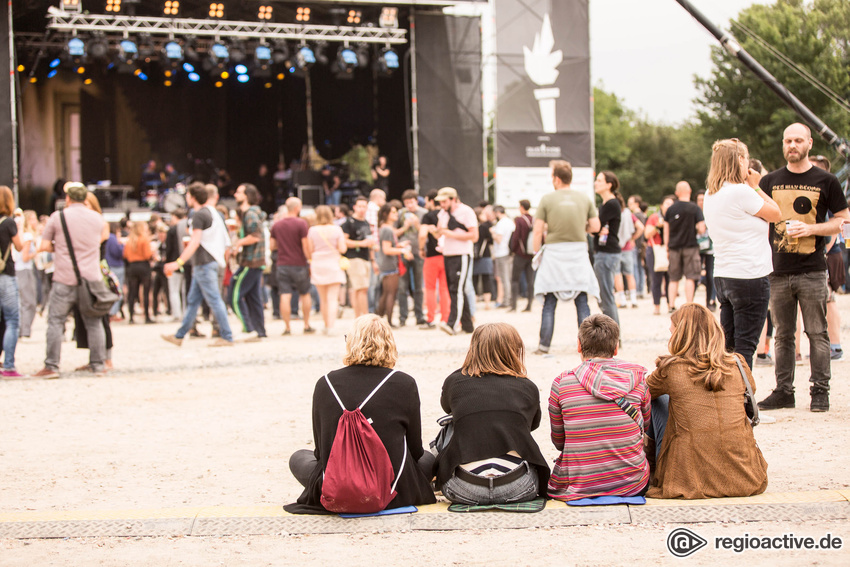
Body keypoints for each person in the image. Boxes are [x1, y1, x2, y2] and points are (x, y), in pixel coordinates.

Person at [285, 314, 436, 514]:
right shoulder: (404, 383)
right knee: (431, 458)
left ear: (351, 342)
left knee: (298, 458)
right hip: (393, 488)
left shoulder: (325, 384)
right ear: (389, 344)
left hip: (338, 482)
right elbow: (416, 451)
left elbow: (321, 452)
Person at [758, 123, 850, 413]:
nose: (792, 145)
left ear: (810, 143)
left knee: (817, 333)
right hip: (777, 269)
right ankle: (784, 391)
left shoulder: (827, 180)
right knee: (783, 335)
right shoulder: (770, 181)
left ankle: (820, 392)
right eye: (788, 141)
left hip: (812, 268)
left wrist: (811, 228)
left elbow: (843, 220)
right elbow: (757, 219)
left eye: (798, 140)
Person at [646, 303, 768, 499]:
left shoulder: (671, 369)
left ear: (681, 336)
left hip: (688, 480)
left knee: (657, 400)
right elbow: (750, 392)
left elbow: (642, 393)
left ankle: (650, 470)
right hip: (746, 477)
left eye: (672, 333)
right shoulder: (737, 363)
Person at [434, 323, 550, 505]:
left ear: (474, 349)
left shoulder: (455, 382)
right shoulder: (527, 387)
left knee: (451, 422)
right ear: (514, 350)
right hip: (517, 486)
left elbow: (446, 406)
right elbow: (532, 424)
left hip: (464, 487)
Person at [548, 314, 650, 501]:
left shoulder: (562, 383)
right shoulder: (638, 380)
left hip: (580, 485)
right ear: (616, 347)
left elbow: (559, 442)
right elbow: (646, 428)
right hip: (633, 483)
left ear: (579, 345)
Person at [702, 138, 781, 369]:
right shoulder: (741, 192)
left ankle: (729, 396)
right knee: (746, 346)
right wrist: (755, 185)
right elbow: (776, 214)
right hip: (750, 274)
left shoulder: (710, 193)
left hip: (725, 274)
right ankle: (743, 399)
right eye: (746, 157)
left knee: (728, 346)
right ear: (739, 161)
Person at [33, 183, 110, 379]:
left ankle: (51, 366)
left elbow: (43, 245)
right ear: (86, 198)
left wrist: (60, 248)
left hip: (64, 277)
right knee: (94, 321)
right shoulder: (97, 219)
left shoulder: (58, 217)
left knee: (56, 321)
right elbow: (101, 240)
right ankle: (98, 364)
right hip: (91, 279)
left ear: (67, 198)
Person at [533, 160, 601, 354]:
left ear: (556, 179)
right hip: (578, 251)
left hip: (554, 253)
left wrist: (536, 254)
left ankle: (543, 345)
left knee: (549, 302)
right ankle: (588, 347)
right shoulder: (584, 198)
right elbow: (595, 227)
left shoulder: (547, 199)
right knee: (581, 301)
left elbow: (538, 231)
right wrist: (582, 227)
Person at [161, 182, 234, 347]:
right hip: (210, 261)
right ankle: (179, 335)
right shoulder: (212, 212)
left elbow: (194, 242)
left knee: (214, 300)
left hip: (203, 263)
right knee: (193, 300)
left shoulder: (199, 215)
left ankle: (227, 336)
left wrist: (178, 262)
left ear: (192, 197)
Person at [811, 155, 845, 361]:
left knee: (829, 299)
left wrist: (824, 250)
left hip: (829, 255)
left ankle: (835, 346)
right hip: (829, 252)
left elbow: (838, 224)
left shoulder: (828, 189)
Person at [434, 187, 478, 336]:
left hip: (462, 254)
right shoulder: (442, 213)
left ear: (453, 199)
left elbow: (474, 236)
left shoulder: (466, 211)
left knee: (456, 289)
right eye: (440, 202)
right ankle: (467, 325)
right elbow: (440, 232)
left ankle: (452, 323)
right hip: (448, 253)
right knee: (458, 289)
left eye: (444, 201)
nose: (442, 204)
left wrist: (450, 234)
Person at [269, 197, 314, 335]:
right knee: (305, 293)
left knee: (285, 295)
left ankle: (287, 327)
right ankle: (306, 325)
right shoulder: (301, 224)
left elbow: (272, 246)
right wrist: (309, 259)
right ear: (297, 208)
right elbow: (305, 245)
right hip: (299, 263)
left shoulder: (276, 225)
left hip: (282, 264)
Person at [230, 183, 267, 341]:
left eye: (239, 192)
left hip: (250, 261)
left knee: (233, 295)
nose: (235, 195)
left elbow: (256, 236)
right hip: (256, 262)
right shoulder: (252, 213)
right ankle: (259, 331)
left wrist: (238, 243)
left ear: (246, 196)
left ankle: (248, 328)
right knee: (254, 298)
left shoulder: (250, 214)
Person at [664, 181, 705, 311]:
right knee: (690, 276)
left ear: (676, 193)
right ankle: (689, 304)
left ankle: (671, 305)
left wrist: (667, 246)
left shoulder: (671, 209)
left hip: (674, 247)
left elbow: (666, 229)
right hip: (691, 246)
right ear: (689, 191)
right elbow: (701, 228)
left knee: (673, 277)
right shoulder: (695, 208)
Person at [306, 205, 347, 335]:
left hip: (318, 264)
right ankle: (331, 326)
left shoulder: (312, 230)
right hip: (333, 263)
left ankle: (325, 324)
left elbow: (310, 249)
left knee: (323, 298)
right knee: (332, 298)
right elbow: (342, 249)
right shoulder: (337, 229)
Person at [0, 186, 26, 378]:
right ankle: (9, 365)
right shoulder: (8, 223)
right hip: (5, 275)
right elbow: (19, 245)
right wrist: (21, 224)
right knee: (12, 321)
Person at [591, 171, 622, 326]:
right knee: (604, 296)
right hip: (605, 253)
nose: (596, 183)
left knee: (606, 297)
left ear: (609, 185)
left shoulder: (611, 204)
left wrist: (591, 228)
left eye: (600, 180)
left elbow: (595, 227)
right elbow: (596, 228)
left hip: (606, 253)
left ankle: (614, 335)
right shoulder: (606, 204)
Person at [375, 204, 413, 326]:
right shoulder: (387, 229)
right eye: (393, 212)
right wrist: (403, 250)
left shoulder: (385, 228)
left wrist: (399, 246)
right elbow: (387, 249)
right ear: (386, 214)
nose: (396, 214)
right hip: (389, 264)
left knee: (386, 293)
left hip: (387, 264)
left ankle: (378, 320)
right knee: (391, 293)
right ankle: (389, 322)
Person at [418, 189, 449, 329]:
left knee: (430, 288)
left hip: (431, 256)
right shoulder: (446, 214)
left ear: (431, 201)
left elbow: (422, 235)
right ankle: (446, 318)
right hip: (447, 255)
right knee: (444, 288)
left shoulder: (427, 216)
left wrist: (421, 249)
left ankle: (430, 319)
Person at [396, 190, 426, 326]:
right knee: (402, 286)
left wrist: (417, 224)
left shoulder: (423, 213)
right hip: (404, 252)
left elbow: (426, 233)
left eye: (411, 202)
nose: (409, 205)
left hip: (419, 252)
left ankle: (419, 315)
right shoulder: (400, 214)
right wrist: (405, 227)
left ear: (416, 201)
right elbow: (394, 233)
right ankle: (403, 317)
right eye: (406, 203)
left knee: (419, 286)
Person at [341, 196, 374, 319]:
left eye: (364, 206)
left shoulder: (365, 222)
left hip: (365, 258)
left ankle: (361, 317)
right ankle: (363, 317)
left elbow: (369, 241)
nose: (362, 209)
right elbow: (343, 241)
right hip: (354, 258)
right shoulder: (348, 223)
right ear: (354, 207)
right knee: (361, 288)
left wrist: (373, 259)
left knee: (361, 288)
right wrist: (360, 244)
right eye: (359, 206)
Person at [645, 196, 674, 315]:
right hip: (655, 250)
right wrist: (657, 226)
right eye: (667, 203)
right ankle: (656, 306)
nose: (669, 206)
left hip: (669, 250)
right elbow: (647, 234)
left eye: (671, 204)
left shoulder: (673, 218)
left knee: (670, 279)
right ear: (661, 205)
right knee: (656, 279)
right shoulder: (654, 217)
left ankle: (670, 304)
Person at [123, 220, 154, 325]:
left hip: (132, 267)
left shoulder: (129, 241)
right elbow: (147, 254)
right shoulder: (144, 240)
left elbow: (125, 255)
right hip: (143, 266)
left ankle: (131, 316)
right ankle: (147, 316)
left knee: (132, 292)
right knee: (145, 292)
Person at [13, 210, 38, 338]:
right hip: (25, 270)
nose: (36, 222)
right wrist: (36, 252)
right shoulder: (27, 237)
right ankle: (24, 330)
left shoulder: (20, 235)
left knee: (23, 301)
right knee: (29, 302)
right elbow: (25, 257)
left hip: (18, 270)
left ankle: (22, 329)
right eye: (33, 219)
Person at [508, 199, 534, 312]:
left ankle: (514, 306)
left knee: (515, 279)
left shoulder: (519, 220)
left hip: (520, 254)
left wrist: (513, 249)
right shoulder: (534, 219)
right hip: (531, 254)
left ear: (522, 207)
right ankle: (529, 305)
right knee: (530, 280)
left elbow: (516, 236)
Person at [695, 191, 716, 311]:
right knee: (695, 274)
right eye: (699, 200)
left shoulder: (711, 211)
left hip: (711, 248)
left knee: (710, 275)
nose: (701, 202)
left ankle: (711, 300)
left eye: (703, 199)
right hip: (697, 248)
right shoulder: (694, 212)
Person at [490, 205, 514, 308]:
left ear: (497, 213)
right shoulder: (510, 222)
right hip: (509, 252)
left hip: (501, 252)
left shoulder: (500, 224)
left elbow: (498, 239)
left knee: (504, 278)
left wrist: (492, 233)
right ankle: (508, 299)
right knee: (508, 277)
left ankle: (507, 300)